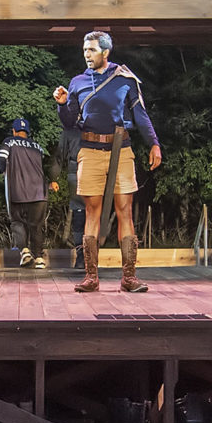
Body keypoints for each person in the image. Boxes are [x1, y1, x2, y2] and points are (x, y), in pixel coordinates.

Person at [54, 30, 162, 293]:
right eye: (84, 50)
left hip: (121, 150)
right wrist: (63, 103)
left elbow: (141, 115)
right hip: (89, 150)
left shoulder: (124, 79)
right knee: (92, 212)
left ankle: (129, 277)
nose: (86, 54)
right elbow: (69, 122)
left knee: (124, 210)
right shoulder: (78, 81)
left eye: (91, 50)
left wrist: (154, 144)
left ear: (105, 52)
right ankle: (91, 276)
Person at [0, 116, 49, 268]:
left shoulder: (9, 142)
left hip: (18, 189)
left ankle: (25, 252)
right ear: (27, 132)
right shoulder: (37, 146)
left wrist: (2, 170)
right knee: (36, 225)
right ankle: (39, 258)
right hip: (39, 191)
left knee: (17, 221)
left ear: (14, 131)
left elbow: (1, 159)